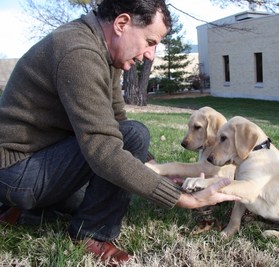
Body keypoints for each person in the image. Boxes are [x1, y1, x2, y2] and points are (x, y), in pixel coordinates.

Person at [0, 0, 239, 264]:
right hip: (18, 170)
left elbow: (116, 120)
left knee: (97, 192)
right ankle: (92, 234)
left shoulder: (103, 52)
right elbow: (105, 149)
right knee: (132, 139)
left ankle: (25, 211)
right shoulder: (78, 52)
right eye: (150, 41)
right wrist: (181, 198)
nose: (151, 55)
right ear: (122, 24)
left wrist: (154, 168)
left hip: (44, 159)